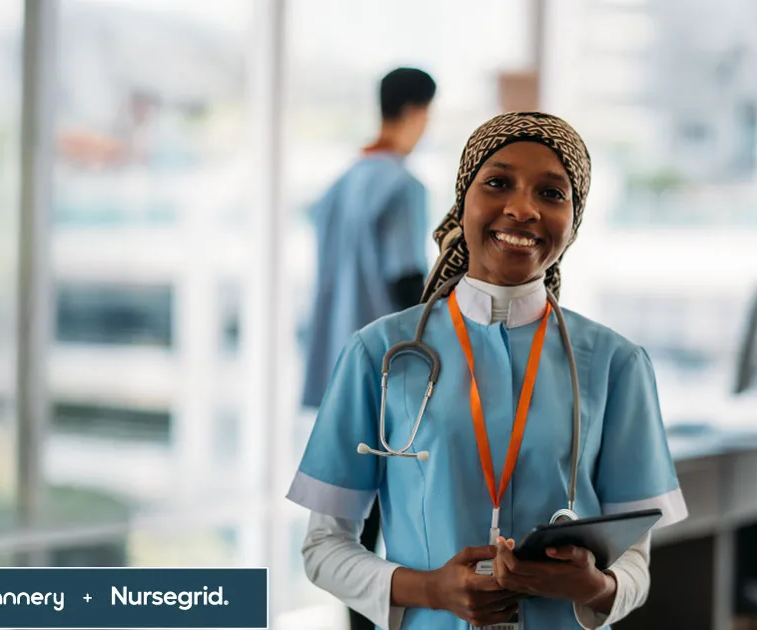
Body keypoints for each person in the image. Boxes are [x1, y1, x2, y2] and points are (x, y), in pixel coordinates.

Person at [287, 112, 687, 629]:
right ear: (463, 200)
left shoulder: (617, 364)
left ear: (575, 220)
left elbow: (636, 565)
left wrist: (595, 587)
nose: (522, 209)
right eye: (498, 183)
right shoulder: (378, 353)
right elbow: (324, 546)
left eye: (552, 193)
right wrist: (430, 589)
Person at [300, 67, 436, 630]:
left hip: (340, 374)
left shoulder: (339, 186)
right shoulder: (403, 187)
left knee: (342, 535)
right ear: (418, 111)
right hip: (391, 379)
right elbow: (407, 285)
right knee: (394, 525)